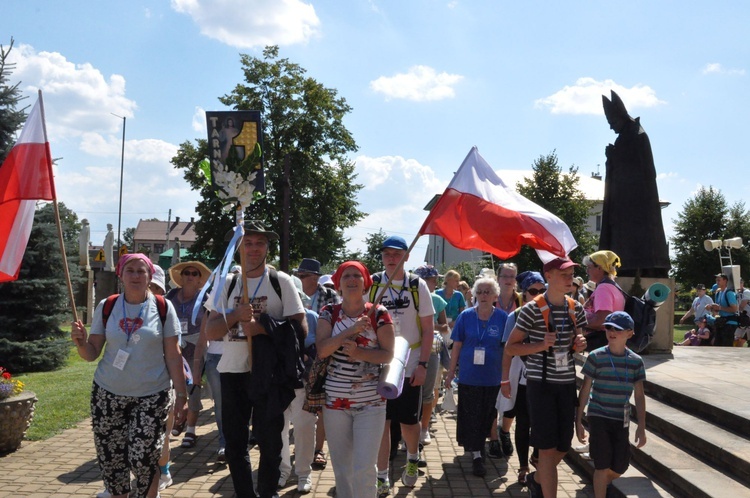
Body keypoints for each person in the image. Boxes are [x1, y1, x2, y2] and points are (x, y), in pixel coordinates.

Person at [205, 220, 307, 498]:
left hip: (269, 375)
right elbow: (210, 331)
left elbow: (300, 326)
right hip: (233, 372)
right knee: (236, 445)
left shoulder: (280, 281)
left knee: (270, 442)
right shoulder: (226, 283)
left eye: (259, 242)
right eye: (247, 242)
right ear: (238, 246)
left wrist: (262, 328)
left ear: (267, 247)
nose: (253, 248)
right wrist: (235, 316)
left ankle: (267, 492)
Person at [71, 253, 186, 498]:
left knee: (143, 457)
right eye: (130, 270)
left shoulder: (163, 307)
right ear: (121, 275)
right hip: (108, 394)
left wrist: (182, 394)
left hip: (151, 395)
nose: (136, 275)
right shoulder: (108, 305)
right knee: (112, 461)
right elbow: (91, 354)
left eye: (141, 271)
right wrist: (81, 342)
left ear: (149, 276)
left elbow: (174, 355)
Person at [505, 257, 587, 498]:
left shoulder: (576, 308)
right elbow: (511, 348)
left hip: (566, 385)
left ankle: (535, 478)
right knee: (548, 451)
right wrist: (540, 345)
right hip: (540, 386)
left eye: (571, 274)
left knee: (563, 447)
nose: (569, 278)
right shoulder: (531, 309)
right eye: (564, 274)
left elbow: (578, 342)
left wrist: (580, 344)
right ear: (548, 276)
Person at [316, 261, 395, 498]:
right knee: (342, 469)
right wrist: (348, 332)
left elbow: (388, 354)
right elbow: (322, 350)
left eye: (357, 276)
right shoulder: (329, 313)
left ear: (365, 283)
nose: (351, 280)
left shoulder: (379, 313)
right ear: (338, 283)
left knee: (364, 468)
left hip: (371, 403)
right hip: (334, 404)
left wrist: (359, 353)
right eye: (346, 276)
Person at [368, 235, 435, 494]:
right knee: (381, 422)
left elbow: (428, 330)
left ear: (407, 256)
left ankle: (411, 458)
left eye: (397, 254)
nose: (391, 258)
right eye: (387, 254)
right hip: (381, 363)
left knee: (408, 422)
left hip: (410, 363)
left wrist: (423, 365)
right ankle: (382, 475)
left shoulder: (417, 285)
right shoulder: (373, 283)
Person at [576, 311, 647, 498]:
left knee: (620, 466)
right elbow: (585, 389)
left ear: (630, 333)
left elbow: (639, 396)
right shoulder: (595, 356)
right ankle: (600, 489)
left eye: (617, 329)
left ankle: (602, 483)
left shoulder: (635, 362)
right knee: (601, 464)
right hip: (598, 415)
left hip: (621, 418)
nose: (612, 332)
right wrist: (578, 420)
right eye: (608, 327)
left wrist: (642, 426)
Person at [600, 89, 670, 278]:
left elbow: (645, 172)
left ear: (622, 117)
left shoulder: (637, 136)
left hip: (637, 209)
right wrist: (612, 158)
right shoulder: (626, 136)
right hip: (626, 207)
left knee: (638, 246)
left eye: (612, 122)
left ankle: (638, 268)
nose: (611, 127)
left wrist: (615, 157)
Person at [445, 277, 507, 477]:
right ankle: (478, 455)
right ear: (474, 295)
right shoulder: (465, 317)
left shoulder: (503, 318)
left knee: (487, 416)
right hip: (469, 377)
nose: (484, 296)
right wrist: (450, 372)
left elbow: (507, 349)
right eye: (480, 292)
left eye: (488, 292)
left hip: (492, 377)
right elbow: (457, 345)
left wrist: (506, 377)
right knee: (471, 416)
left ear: (496, 296)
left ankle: (480, 448)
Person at [499, 270, 547, 486]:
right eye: (533, 291)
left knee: (541, 423)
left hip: (547, 377)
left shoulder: (553, 312)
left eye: (542, 290)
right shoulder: (515, 316)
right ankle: (523, 466)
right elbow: (507, 351)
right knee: (524, 422)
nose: (538, 294)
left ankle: (537, 456)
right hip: (522, 377)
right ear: (524, 293)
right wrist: (504, 380)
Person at [294, 258, 341, 470]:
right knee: (298, 406)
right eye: (298, 275)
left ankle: (318, 449)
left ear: (314, 277)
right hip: (294, 358)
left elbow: (337, 324)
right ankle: (301, 446)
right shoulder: (291, 293)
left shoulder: (330, 296)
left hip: (322, 357)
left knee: (321, 406)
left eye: (303, 276)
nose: (299, 279)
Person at [166, 261, 211, 449]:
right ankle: (174, 421)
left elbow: (205, 331)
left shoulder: (205, 299)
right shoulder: (171, 296)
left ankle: (191, 430)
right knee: (170, 388)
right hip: (173, 347)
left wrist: (199, 359)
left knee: (194, 389)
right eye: (186, 273)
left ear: (200, 279)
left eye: (194, 273)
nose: (190, 276)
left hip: (196, 348)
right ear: (181, 277)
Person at [413, 265, 449, 447]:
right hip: (410, 349)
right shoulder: (410, 297)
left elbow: (444, 327)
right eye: (433, 278)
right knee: (408, 392)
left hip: (432, 349)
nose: (436, 282)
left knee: (428, 393)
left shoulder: (437, 299)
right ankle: (409, 431)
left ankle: (424, 428)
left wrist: (428, 327)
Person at [489, 262, 522, 458]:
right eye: (505, 276)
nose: (509, 280)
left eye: (512, 276)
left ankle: (505, 432)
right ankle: (493, 438)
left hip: (515, 358)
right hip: (492, 356)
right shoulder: (489, 298)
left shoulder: (521, 301)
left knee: (512, 398)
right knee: (493, 398)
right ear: (498, 279)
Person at [583, 250, 625, 351]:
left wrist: (577, 323)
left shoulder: (604, 288)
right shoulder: (612, 286)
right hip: (607, 343)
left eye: (589, 267)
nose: (587, 271)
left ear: (600, 268)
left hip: (600, 343)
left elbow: (602, 320)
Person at [707, 273, 738, 347]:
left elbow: (734, 309)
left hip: (730, 323)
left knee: (726, 345)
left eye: (719, 280)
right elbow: (717, 309)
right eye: (716, 280)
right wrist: (711, 307)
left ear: (725, 281)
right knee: (717, 345)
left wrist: (720, 308)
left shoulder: (729, 293)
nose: (717, 282)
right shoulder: (718, 293)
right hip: (721, 322)